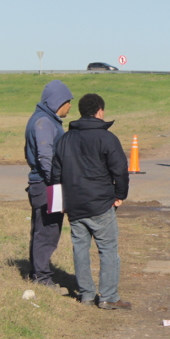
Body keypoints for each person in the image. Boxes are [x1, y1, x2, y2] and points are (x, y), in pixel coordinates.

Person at [51, 93, 131, 309]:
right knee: (108, 250)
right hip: (101, 204)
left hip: (73, 205)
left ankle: (86, 295)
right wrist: (120, 195)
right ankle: (108, 297)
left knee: (80, 249)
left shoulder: (65, 139)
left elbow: (55, 175)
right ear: (100, 112)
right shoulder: (108, 138)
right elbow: (120, 171)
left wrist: (60, 204)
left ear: (81, 112)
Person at [24, 80, 74, 286]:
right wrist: (56, 185)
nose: (70, 106)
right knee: (47, 232)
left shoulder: (44, 119)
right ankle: (42, 278)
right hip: (46, 186)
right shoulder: (44, 122)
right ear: (57, 101)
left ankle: (36, 272)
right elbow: (46, 157)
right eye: (68, 101)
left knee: (42, 230)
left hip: (43, 184)